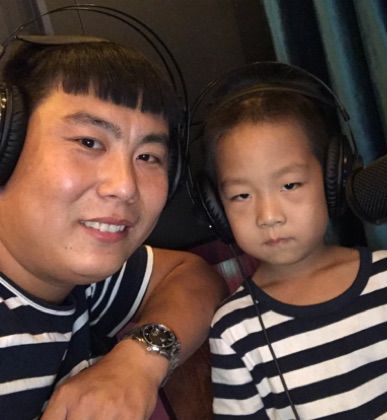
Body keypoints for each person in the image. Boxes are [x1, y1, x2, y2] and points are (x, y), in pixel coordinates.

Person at [0, 36, 226, 419]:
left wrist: (139, 360)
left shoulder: (73, 279)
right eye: (89, 142)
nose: (125, 186)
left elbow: (192, 276)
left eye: (147, 156)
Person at [200, 63, 387, 418]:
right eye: (242, 195)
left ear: (334, 179)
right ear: (217, 208)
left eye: (290, 185)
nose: (268, 215)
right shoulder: (234, 330)